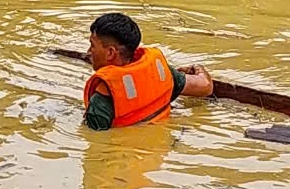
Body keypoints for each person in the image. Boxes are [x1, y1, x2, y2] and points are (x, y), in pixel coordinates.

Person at [83, 12, 214, 131]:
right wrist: (198, 67)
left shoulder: (101, 101)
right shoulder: (159, 72)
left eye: (92, 45)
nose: (88, 52)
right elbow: (206, 87)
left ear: (110, 53)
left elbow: (97, 141)